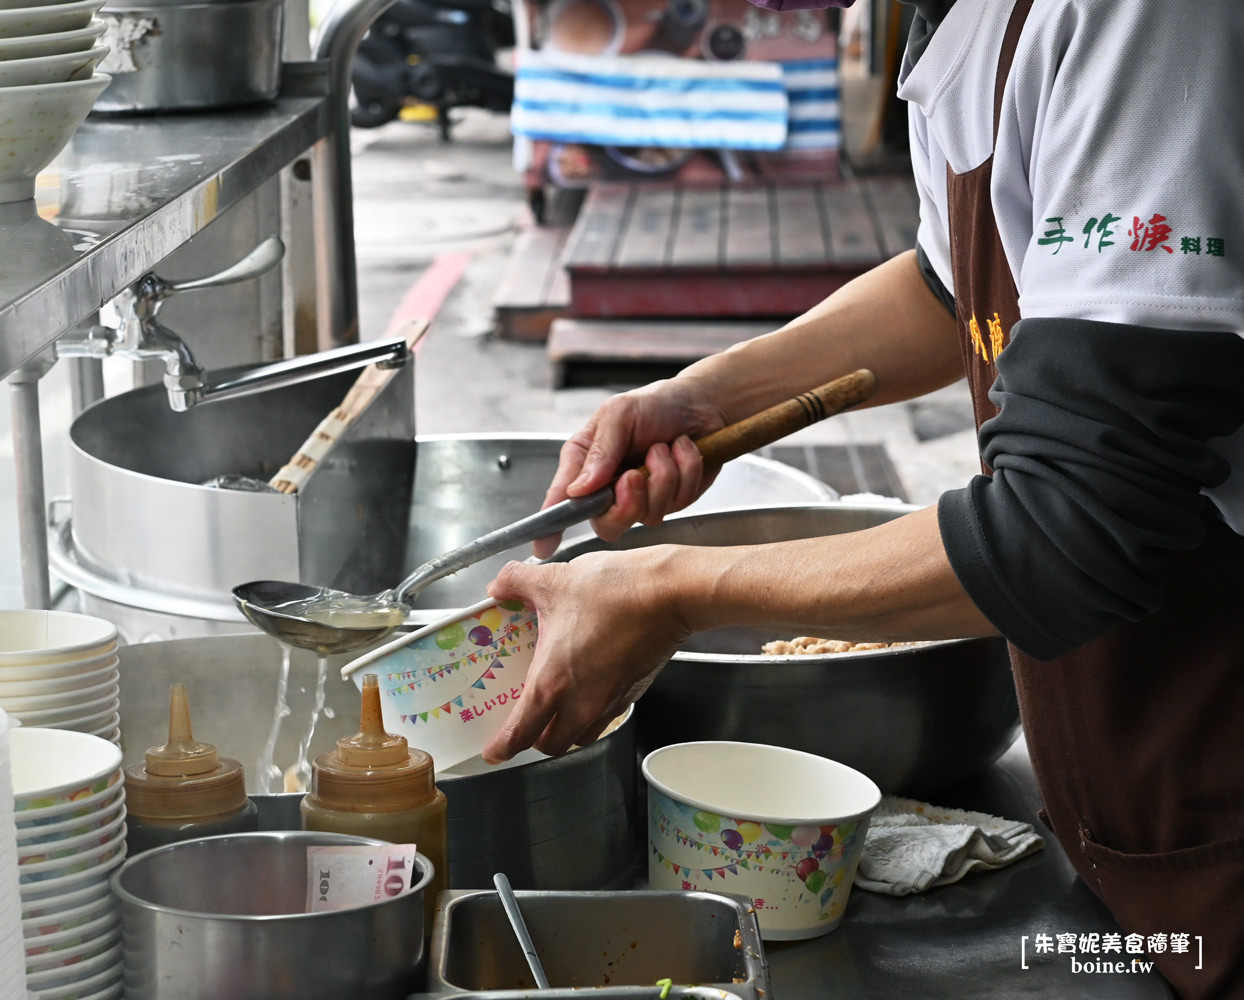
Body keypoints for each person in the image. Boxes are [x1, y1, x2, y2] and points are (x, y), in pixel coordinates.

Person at [480, 1, 1244, 997]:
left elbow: (1067, 526)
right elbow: (953, 288)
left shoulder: (1138, 20)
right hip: (1138, 822)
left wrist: (666, 590)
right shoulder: (956, 24)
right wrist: (708, 397)